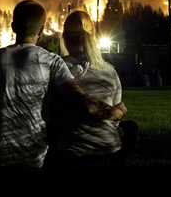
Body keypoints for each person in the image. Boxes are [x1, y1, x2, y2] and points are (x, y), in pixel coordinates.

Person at [0, 0, 127, 170]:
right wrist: (116, 112)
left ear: (13, 27)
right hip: (31, 160)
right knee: (129, 129)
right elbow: (84, 103)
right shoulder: (51, 62)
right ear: (42, 30)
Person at [45, 10, 138, 168]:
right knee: (130, 127)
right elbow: (114, 119)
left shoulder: (54, 68)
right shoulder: (110, 72)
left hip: (68, 154)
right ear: (93, 36)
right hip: (108, 151)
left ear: (65, 38)